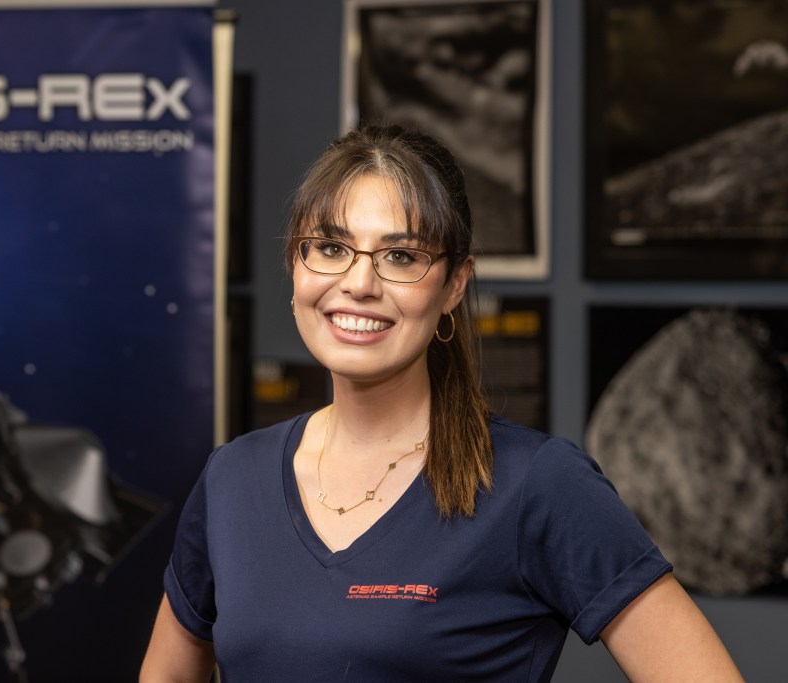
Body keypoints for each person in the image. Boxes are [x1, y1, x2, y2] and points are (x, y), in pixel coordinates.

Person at [140, 125, 743, 682]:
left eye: (400, 256)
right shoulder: (233, 478)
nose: (358, 282)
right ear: (296, 268)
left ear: (455, 284)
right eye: (330, 247)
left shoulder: (535, 484)